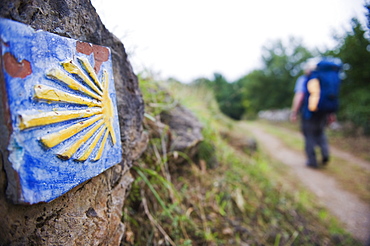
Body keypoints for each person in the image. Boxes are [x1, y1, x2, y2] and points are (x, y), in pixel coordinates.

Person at [290, 59, 335, 168]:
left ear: (307, 69)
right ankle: (325, 154)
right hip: (323, 112)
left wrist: (294, 112)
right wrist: (331, 113)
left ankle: (312, 161)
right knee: (320, 132)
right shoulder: (324, 79)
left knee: (309, 135)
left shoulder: (304, 79)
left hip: (308, 113)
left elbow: (299, 96)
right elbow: (330, 97)